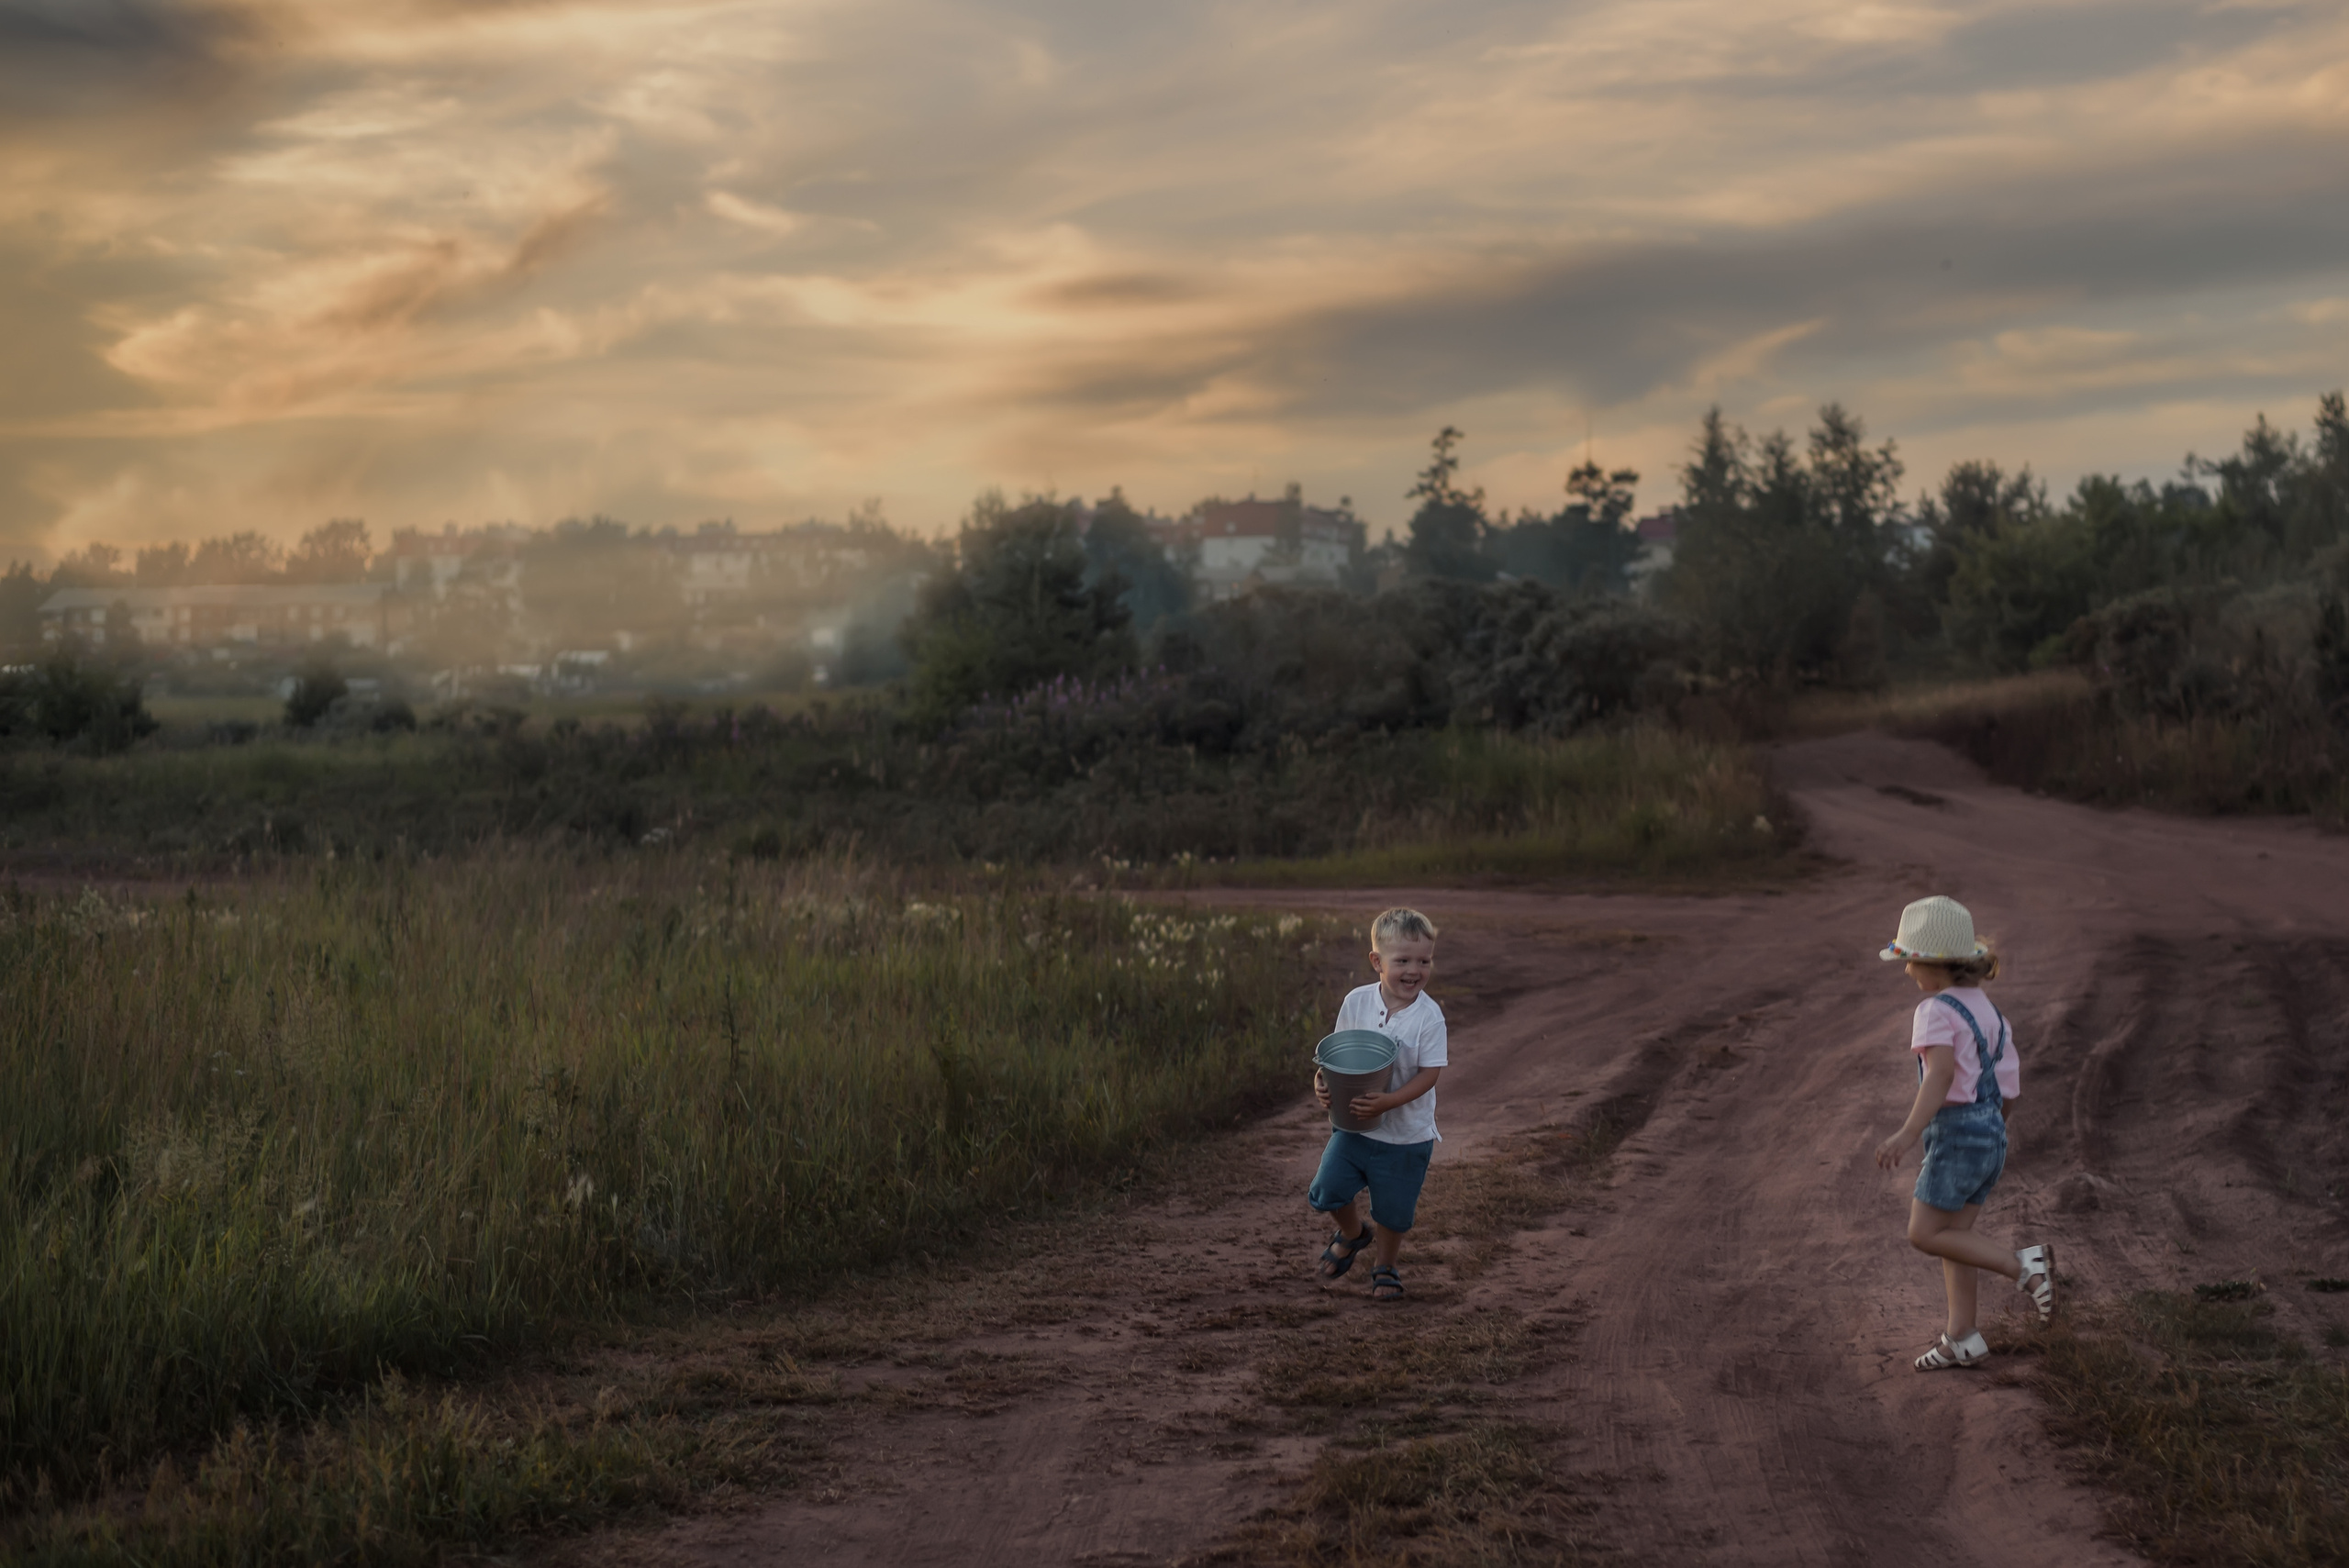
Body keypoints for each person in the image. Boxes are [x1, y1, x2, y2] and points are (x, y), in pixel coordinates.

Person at [1872, 895, 2056, 1370]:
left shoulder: (1935, 1011)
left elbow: (1939, 1077)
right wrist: (1992, 1133)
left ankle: (2024, 1269)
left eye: (1909, 963)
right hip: (1992, 1130)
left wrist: (1908, 1133)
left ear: (1931, 965)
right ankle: (1962, 1337)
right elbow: (2009, 1086)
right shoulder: (1993, 1015)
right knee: (1955, 1235)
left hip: (1956, 1135)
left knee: (1924, 1234)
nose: (1908, 972)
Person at [1308, 906, 1447, 1302]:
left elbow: (1429, 1074)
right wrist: (1320, 1083)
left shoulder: (1429, 1017)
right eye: (1402, 960)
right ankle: (1353, 1234)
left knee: (1394, 1211)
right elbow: (1336, 1057)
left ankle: (1385, 1265)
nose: (1414, 970)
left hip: (1405, 1137)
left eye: (1424, 960)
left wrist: (1388, 1102)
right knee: (1328, 1189)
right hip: (1353, 1127)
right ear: (1377, 962)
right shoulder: (1357, 1002)